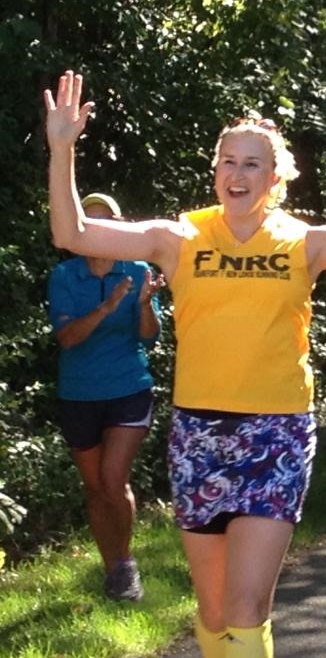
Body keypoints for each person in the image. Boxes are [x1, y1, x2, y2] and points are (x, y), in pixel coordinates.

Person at [45, 70, 326, 658]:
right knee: (214, 611)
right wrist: (62, 148)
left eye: (251, 165)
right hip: (198, 432)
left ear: (274, 178)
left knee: (245, 607)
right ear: (215, 170)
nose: (236, 175)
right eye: (227, 162)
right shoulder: (178, 237)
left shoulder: (305, 242)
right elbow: (73, 232)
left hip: (276, 431)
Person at [47, 192, 164, 601]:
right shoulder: (65, 275)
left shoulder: (138, 269)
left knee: (114, 480)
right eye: (89, 221)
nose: (97, 229)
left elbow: (149, 336)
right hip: (79, 393)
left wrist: (144, 305)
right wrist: (107, 307)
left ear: (119, 225)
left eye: (105, 221)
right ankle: (111, 567)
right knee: (96, 488)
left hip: (129, 386)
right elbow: (67, 338)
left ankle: (126, 564)